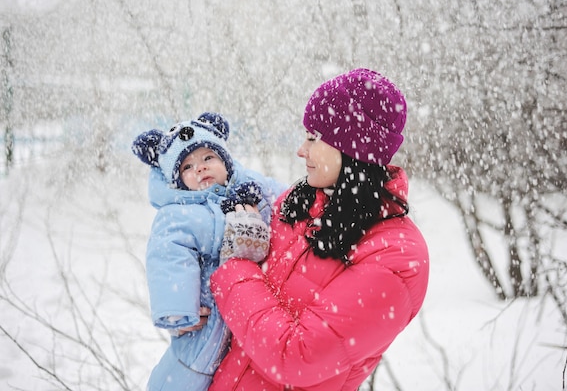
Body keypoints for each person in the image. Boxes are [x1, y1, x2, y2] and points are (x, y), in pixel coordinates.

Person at [208, 68, 430, 390]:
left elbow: (295, 357)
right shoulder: (301, 203)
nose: (302, 150)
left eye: (313, 138)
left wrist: (234, 268)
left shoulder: (397, 257)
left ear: (352, 148)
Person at [131, 112, 285, 391]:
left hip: (250, 307)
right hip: (205, 318)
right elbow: (168, 256)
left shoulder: (251, 185)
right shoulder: (178, 214)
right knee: (188, 373)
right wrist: (178, 309)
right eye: (187, 166)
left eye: (208, 158)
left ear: (225, 161)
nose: (200, 168)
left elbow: (284, 199)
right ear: (177, 180)